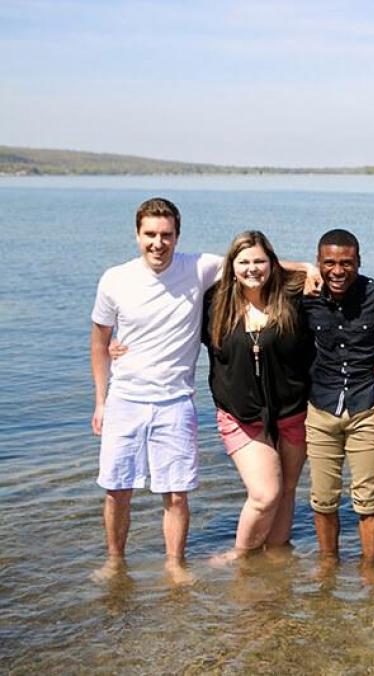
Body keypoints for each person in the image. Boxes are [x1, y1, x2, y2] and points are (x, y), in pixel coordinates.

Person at [91, 198, 318, 584]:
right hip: (125, 398)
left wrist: (308, 267)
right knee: (117, 489)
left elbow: (257, 264)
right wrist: (100, 400)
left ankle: (175, 565)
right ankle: (115, 562)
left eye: (166, 235)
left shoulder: (199, 267)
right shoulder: (115, 279)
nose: (158, 243)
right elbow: (99, 342)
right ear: (137, 235)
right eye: (150, 235)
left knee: (177, 494)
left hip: (176, 399)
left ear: (178, 236)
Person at [202, 231, 314, 566]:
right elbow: (169, 327)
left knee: (288, 490)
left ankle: (276, 563)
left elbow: (334, 319)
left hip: (293, 409)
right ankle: (242, 557)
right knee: (265, 495)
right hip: (241, 415)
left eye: (260, 261)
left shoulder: (292, 297)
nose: (253, 269)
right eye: (244, 262)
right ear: (231, 267)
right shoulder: (214, 303)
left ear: (272, 263)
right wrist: (122, 346)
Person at [302, 229, 374, 574]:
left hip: (366, 407)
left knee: (368, 499)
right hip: (320, 406)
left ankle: (370, 571)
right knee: (323, 498)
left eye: (346, 263)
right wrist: (303, 269)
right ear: (319, 263)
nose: (337, 270)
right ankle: (328, 566)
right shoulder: (306, 296)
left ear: (358, 262)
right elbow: (257, 267)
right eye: (329, 263)